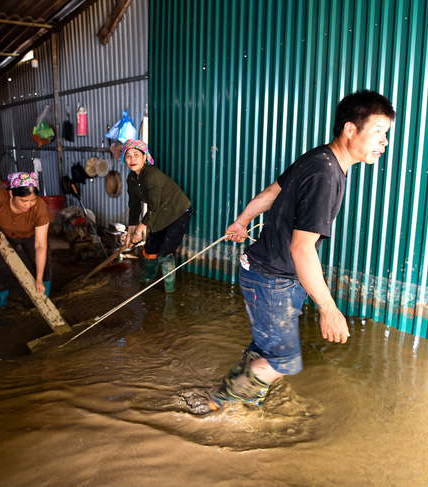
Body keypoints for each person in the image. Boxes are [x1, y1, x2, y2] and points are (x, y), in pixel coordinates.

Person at [208, 90, 396, 411]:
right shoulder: (326, 173)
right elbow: (302, 248)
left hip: (268, 274)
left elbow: (271, 192)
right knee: (285, 362)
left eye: (386, 135)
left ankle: (245, 405)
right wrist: (328, 308)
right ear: (351, 129)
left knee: (269, 350)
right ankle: (220, 400)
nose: (384, 142)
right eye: (378, 132)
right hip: (272, 279)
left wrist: (241, 222)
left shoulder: (320, 157)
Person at [0, 172, 52, 307]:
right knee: (0, 268)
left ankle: (45, 300)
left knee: (44, 268)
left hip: (31, 237)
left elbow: (40, 246)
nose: (28, 205)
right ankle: (1, 302)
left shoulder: (40, 208)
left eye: (33, 200)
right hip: (5, 235)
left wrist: (38, 278)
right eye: (23, 200)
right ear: (11, 194)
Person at [122, 139, 191, 293]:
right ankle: (146, 282)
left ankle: (170, 293)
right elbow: (134, 206)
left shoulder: (152, 176)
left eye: (136, 155)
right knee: (150, 249)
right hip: (159, 213)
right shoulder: (132, 179)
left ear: (145, 157)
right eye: (128, 156)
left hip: (177, 212)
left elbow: (153, 208)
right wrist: (130, 233)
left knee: (165, 252)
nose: (132, 159)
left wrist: (138, 231)